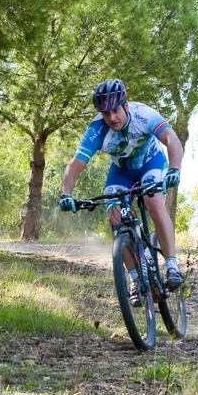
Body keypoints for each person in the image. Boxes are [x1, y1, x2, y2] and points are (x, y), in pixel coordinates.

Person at [58, 78, 184, 305]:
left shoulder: (144, 115)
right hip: (122, 172)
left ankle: (172, 266)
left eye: (115, 110)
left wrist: (175, 169)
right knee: (115, 218)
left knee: (154, 203)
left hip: (151, 162)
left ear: (125, 105)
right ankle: (136, 280)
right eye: (106, 114)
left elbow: (172, 139)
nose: (112, 118)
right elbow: (75, 165)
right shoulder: (96, 129)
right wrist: (66, 193)